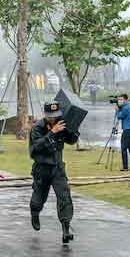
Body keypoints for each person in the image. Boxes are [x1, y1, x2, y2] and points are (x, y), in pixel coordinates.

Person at [30, 101, 79, 244]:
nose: (54, 118)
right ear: (45, 115)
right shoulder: (37, 128)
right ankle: (35, 213)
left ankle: (66, 229)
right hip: (42, 168)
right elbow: (36, 147)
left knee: (65, 197)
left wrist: (74, 129)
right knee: (38, 199)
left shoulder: (61, 123)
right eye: (51, 116)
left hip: (57, 168)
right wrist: (52, 133)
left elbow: (71, 140)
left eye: (56, 115)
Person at [116, 93, 130, 171]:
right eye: (118, 100)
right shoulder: (128, 107)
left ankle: (125, 167)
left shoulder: (125, 108)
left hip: (127, 130)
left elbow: (119, 116)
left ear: (126, 100)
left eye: (121, 99)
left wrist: (117, 111)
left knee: (124, 148)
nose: (119, 101)